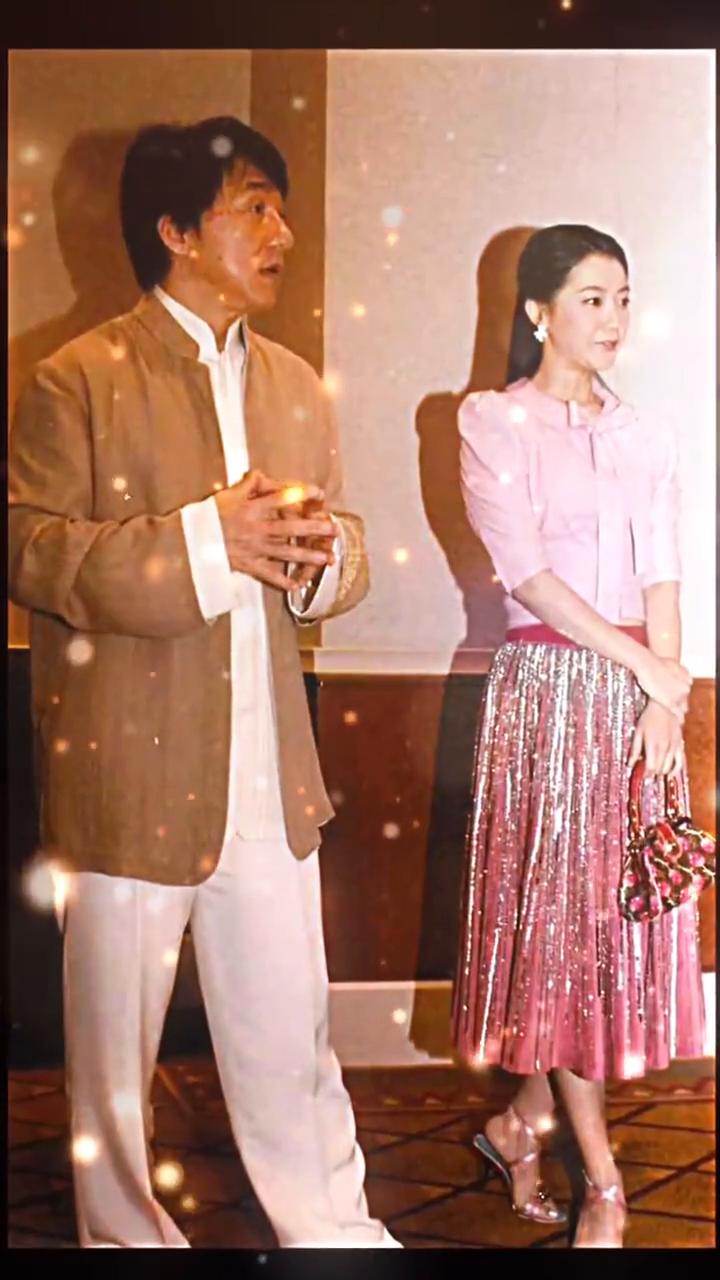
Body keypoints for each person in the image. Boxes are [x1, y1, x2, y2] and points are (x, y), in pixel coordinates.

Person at [9, 115, 400, 1250]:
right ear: (177, 230)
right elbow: (30, 549)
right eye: (255, 208)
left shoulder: (296, 384)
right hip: (127, 772)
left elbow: (343, 547)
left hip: (269, 776)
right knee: (113, 1065)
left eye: (282, 208)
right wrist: (203, 540)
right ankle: (125, 1240)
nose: (283, 233)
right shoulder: (75, 378)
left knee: (294, 1038)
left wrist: (323, 560)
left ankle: (333, 1232)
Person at [451, 224, 706, 1248]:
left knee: (607, 930)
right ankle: (605, 1182)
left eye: (623, 298)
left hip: (640, 700)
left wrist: (665, 697)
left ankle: (521, 1124)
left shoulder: (645, 432)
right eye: (591, 298)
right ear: (538, 311)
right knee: (560, 936)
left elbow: (663, 569)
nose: (612, 318)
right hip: (549, 694)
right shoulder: (493, 421)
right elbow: (525, 572)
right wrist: (642, 667)